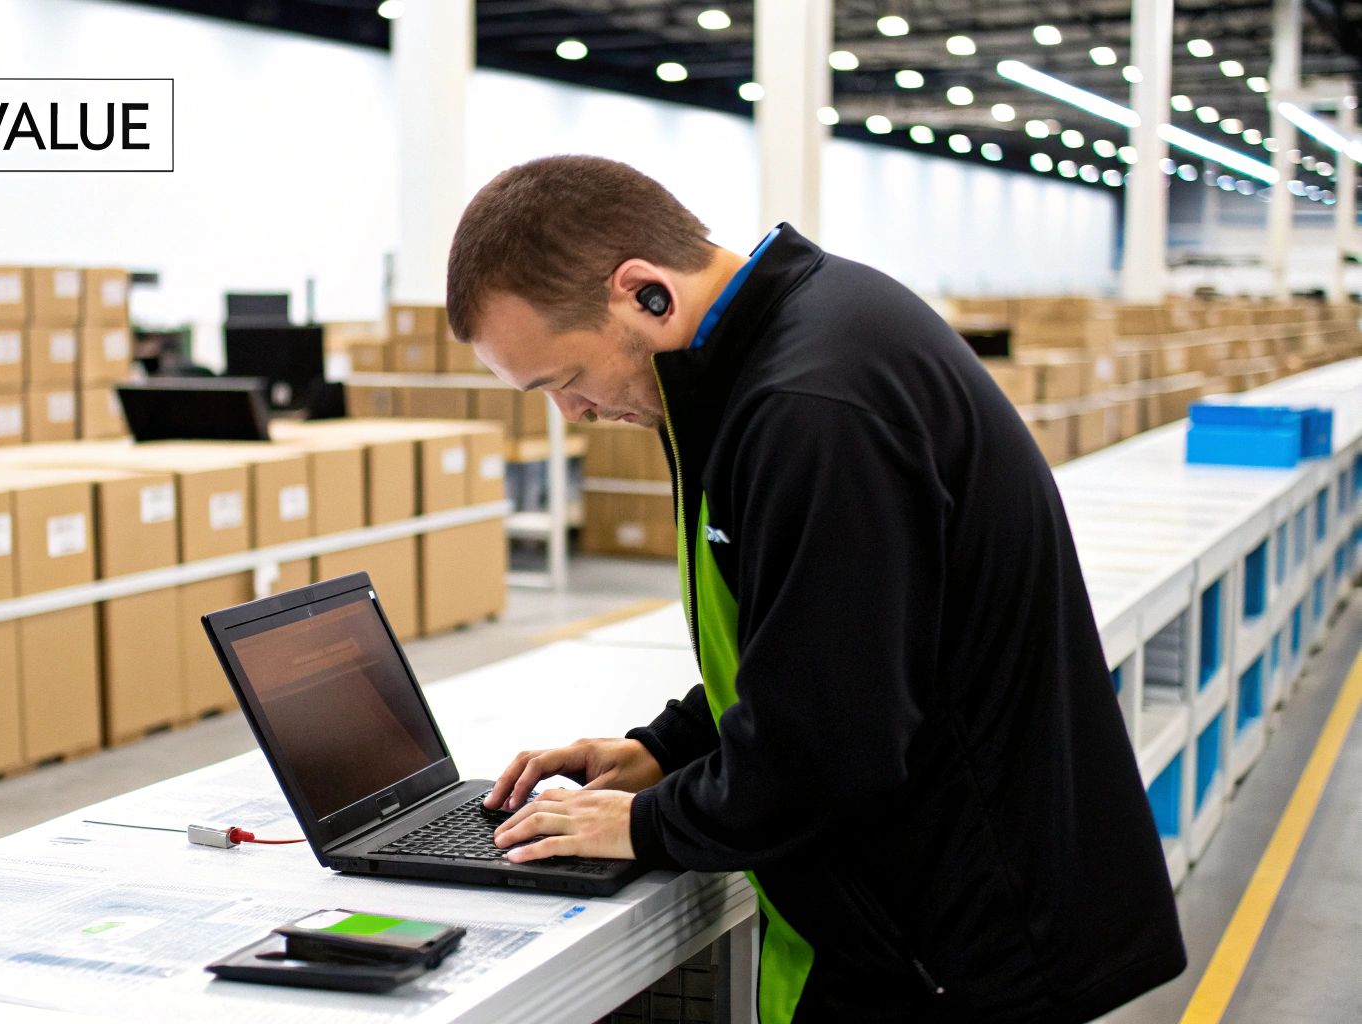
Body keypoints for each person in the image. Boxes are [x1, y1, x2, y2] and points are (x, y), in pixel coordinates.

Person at [449, 155, 1186, 1023]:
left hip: (954, 944)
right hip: (926, 910)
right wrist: (665, 748)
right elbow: (809, 635)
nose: (574, 414)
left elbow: (832, 746)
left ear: (643, 292)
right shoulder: (785, 348)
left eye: (565, 380)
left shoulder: (811, 405)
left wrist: (643, 825)